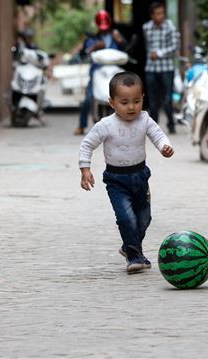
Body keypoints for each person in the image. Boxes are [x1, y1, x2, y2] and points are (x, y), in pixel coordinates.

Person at [77, 71, 174, 273]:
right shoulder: (106, 125)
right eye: (124, 102)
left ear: (142, 100)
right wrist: (85, 169)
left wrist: (165, 146)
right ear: (112, 103)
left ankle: (128, 246)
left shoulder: (145, 119)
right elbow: (87, 145)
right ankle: (134, 256)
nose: (131, 107)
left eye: (136, 101)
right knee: (126, 217)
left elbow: (157, 134)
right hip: (116, 180)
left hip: (140, 177)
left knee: (144, 218)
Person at [73, 10, 126, 135]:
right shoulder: (91, 39)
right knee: (88, 98)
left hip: (113, 71)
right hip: (97, 71)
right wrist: (93, 47)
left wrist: (121, 42)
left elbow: (126, 50)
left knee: (124, 95)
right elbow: (83, 54)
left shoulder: (116, 36)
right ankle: (81, 125)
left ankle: (125, 122)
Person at [143, 1, 180, 134]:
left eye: (162, 13)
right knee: (152, 100)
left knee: (167, 99)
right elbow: (147, 46)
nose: (160, 16)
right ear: (152, 15)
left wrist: (159, 53)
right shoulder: (146, 27)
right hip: (151, 68)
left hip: (166, 68)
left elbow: (175, 46)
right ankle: (154, 129)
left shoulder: (170, 27)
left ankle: (171, 124)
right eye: (157, 14)